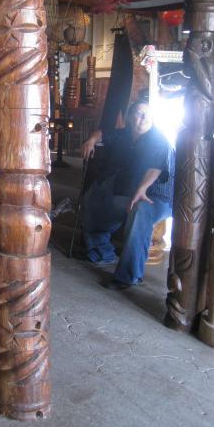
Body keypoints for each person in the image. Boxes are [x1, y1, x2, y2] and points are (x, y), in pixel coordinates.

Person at [79, 100, 174, 290]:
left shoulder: (158, 140)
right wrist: (91, 140)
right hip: (130, 190)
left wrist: (141, 190)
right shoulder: (124, 134)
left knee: (140, 210)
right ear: (130, 117)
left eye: (147, 114)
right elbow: (103, 133)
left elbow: (156, 168)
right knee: (92, 198)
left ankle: (130, 276)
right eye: (139, 113)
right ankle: (102, 252)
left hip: (155, 196)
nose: (143, 118)